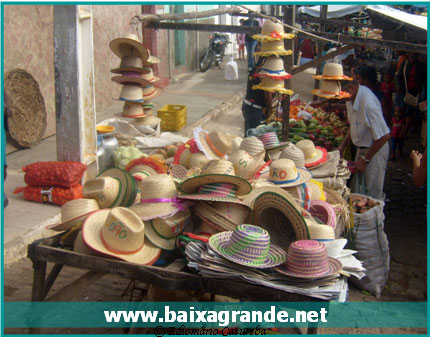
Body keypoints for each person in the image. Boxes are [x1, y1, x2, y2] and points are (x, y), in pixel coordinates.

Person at [338, 79, 391, 200]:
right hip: (362, 149)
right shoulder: (351, 97)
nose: (340, 99)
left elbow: (384, 136)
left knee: (371, 194)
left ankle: (374, 218)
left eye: (341, 95)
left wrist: (365, 159)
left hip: (375, 151)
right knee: (360, 191)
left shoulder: (368, 104)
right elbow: (354, 126)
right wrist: (342, 146)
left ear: (351, 87)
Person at [396, 53, 426, 134]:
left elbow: (424, 80)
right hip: (404, 90)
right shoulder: (404, 64)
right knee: (403, 109)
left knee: (411, 110)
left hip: (415, 91)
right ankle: (402, 127)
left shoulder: (421, 66)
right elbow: (399, 76)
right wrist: (399, 86)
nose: (413, 57)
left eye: (414, 56)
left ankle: (406, 129)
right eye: (411, 56)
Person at [242, 58, 271, 137]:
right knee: (253, 137)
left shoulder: (253, 71)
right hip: (255, 109)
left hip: (247, 105)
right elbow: (268, 95)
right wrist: (268, 109)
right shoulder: (263, 75)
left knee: (249, 134)